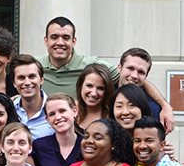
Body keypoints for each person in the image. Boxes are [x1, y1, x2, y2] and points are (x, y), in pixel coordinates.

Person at [35, 17, 174, 133]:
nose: (60, 42)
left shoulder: (91, 66)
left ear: (74, 41)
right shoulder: (35, 68)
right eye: (54, 37)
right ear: (45, 40)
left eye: (66, 37)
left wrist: (165, 106)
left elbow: (131, 80)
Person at [110, 84, 178, 166]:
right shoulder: (108, 141)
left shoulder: (154, 144)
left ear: (142, 108)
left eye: (132, 105)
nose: (125, 112)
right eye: (119, 106)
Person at [9, 54, 54, 140]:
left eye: (32, 76)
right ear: (14, 83)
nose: (27, 82)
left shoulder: (55, 111)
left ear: (41, 80)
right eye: (21, 78)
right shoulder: (8, 109)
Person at [116, 47, 164, 123]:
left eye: (141, 72)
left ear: (146, 76)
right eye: (130, 68)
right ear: (119, 68)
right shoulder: (105, 95)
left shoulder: (153, 109)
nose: (134, 76)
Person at [75, 63, 114, 134]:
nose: (93, 93)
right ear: (80, 85)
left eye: (100, 88)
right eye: (89, 86)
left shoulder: (113, 116)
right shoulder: (69, 110)